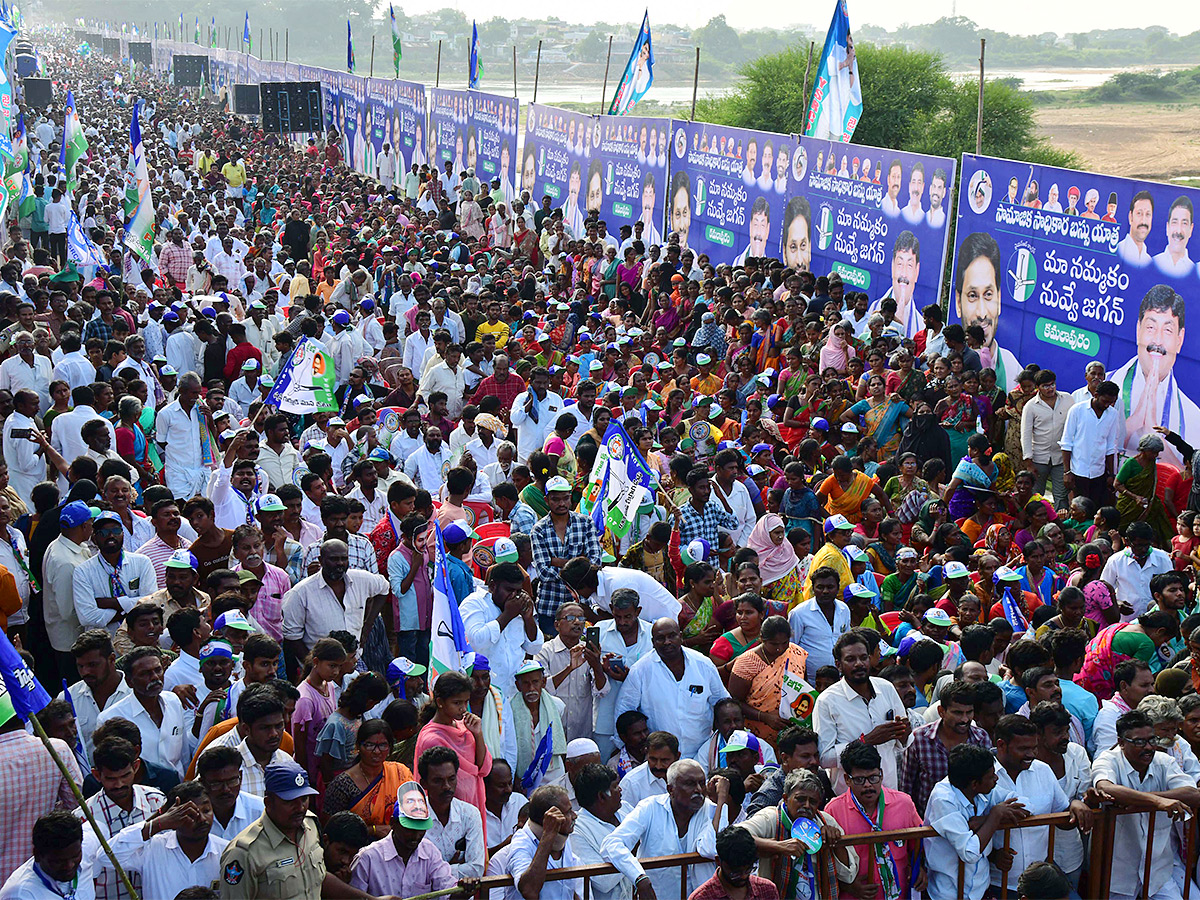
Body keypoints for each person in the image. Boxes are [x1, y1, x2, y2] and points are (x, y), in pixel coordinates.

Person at [1092, 710, 1200, 900]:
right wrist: (1157, 802)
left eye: (1152, 740)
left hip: (1158, 870)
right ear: (1121, 742)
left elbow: (1193, 794)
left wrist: (1140, 799)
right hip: (1118, 871)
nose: (1149, 747)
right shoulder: (1107, 760)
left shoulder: (1164, 761)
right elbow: (1105, 787)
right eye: (1139, 742)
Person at [601, 761, 730, 900]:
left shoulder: (711, 809)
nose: (698, 789)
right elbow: (612, 844)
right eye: (690, 784)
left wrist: (721, 801)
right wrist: (639, 877)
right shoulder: (650, 807)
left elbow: (710, 848)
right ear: (671, 789)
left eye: (702, 783)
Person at [922, 743, 1029, 900]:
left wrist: (986, 819)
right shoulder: (944, 799)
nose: (996, 778)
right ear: (974, 784)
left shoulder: (979, 787)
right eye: (991, 776)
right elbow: (969, 852)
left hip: (981, 890)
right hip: (949, 893)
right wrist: (994, 816)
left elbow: (1026, 803)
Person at [1109, 284, 1200, 467]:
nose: (1157, 341)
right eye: (1150, 327)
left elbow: (1189, 477)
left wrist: (1154, 431)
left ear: (1179, 339)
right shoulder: (1107, 384)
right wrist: (1133, 424)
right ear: (1138, 330)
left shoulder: (1193, 417)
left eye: (1167, 330)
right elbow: (1091, 447)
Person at [615, 617, 731, 759]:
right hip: (661, 759)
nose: (667, 642)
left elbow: (723, 703)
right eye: (660, 638)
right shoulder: (640, 670)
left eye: (672, 636)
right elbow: (624, 711)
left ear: (680, 636)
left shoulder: (703, 664)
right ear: (653, 642)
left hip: (703, 754)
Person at [824, 740, 924, 900]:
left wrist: (921, 869)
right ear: (847, 780)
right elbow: (825, 860)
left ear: (882, 774)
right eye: (859, 780)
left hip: (899, 894)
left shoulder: (904, 804)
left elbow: (919, 845)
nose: (868, 786)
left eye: (873, 778)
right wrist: (848, 886)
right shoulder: (833, 811)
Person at [814, 632, 910, 793]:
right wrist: (865, 741)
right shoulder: (827, 701)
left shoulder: (886, 688)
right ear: (838, 664)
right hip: (849, 798)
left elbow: (903, 743)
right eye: (851, 659)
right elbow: (824, 758)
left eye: (863, 657)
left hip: (889, 791)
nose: (859, 664)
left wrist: (905, 733)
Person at [953, 232, 1022, 390]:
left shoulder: (1013, 368)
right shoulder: (953, 362)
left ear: (999, 298)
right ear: (958, 302)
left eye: (988, 294)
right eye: (972, 295)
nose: (982, 313)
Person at [688, 824, 781, 900]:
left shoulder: (767, 890)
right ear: (718, 861)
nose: (744, 876)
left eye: (748, 870)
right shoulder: (701, 897)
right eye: (735, 872)